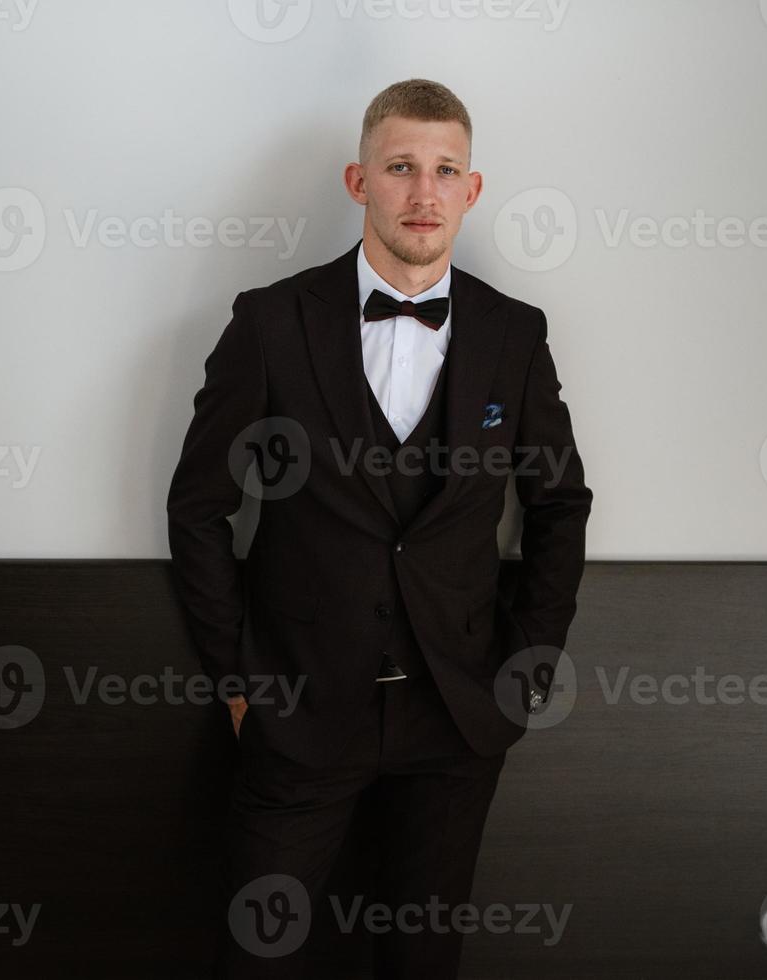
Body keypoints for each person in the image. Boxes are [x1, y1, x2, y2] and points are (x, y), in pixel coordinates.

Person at [165, 78, 592, 979]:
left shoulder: (515, 335)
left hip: (457, 714)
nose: (424, 193)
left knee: (421, 959)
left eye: (445, 171)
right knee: (257, 954)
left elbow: (558, 505)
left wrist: (525, 669)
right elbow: (199, 505)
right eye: (401, 168)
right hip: (297, 710)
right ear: (359, 181)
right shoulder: (271, 323)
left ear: (472, 190)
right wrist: (242, 682)